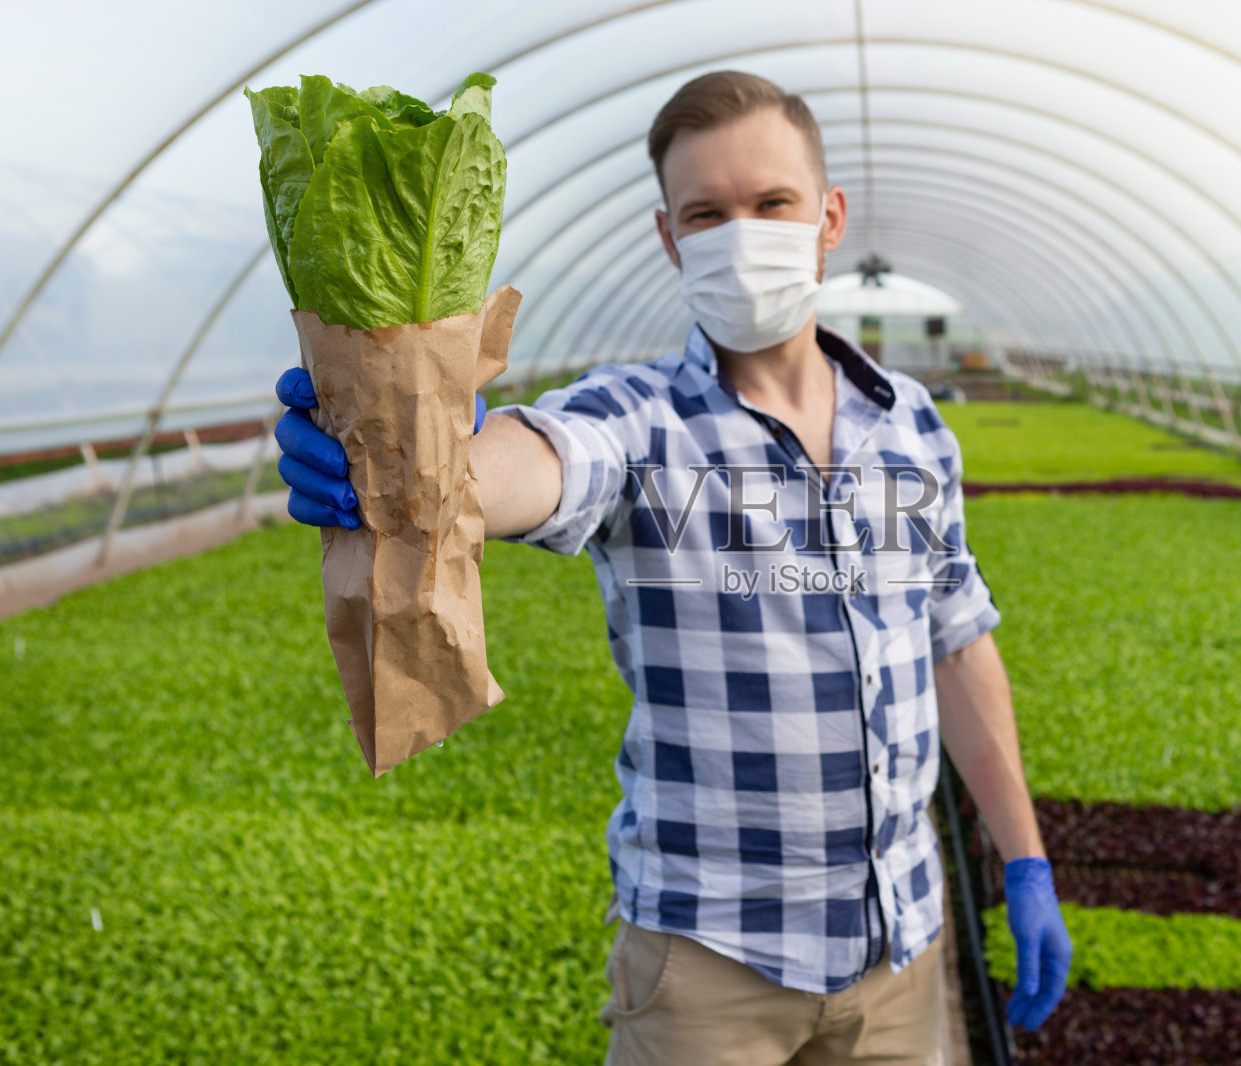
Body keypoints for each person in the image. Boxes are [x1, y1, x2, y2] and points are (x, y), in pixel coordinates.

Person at [273, 69, 1070, 1065]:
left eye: (771, 203)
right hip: (706, 967)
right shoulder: (642, 417)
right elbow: (546, 458)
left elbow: (955, 643)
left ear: (828, 217)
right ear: (669, 237)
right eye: (708, 213)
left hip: (900, 951)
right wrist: (418, 461)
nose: (742, 236)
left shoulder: (910, 424)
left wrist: (1026, 858)